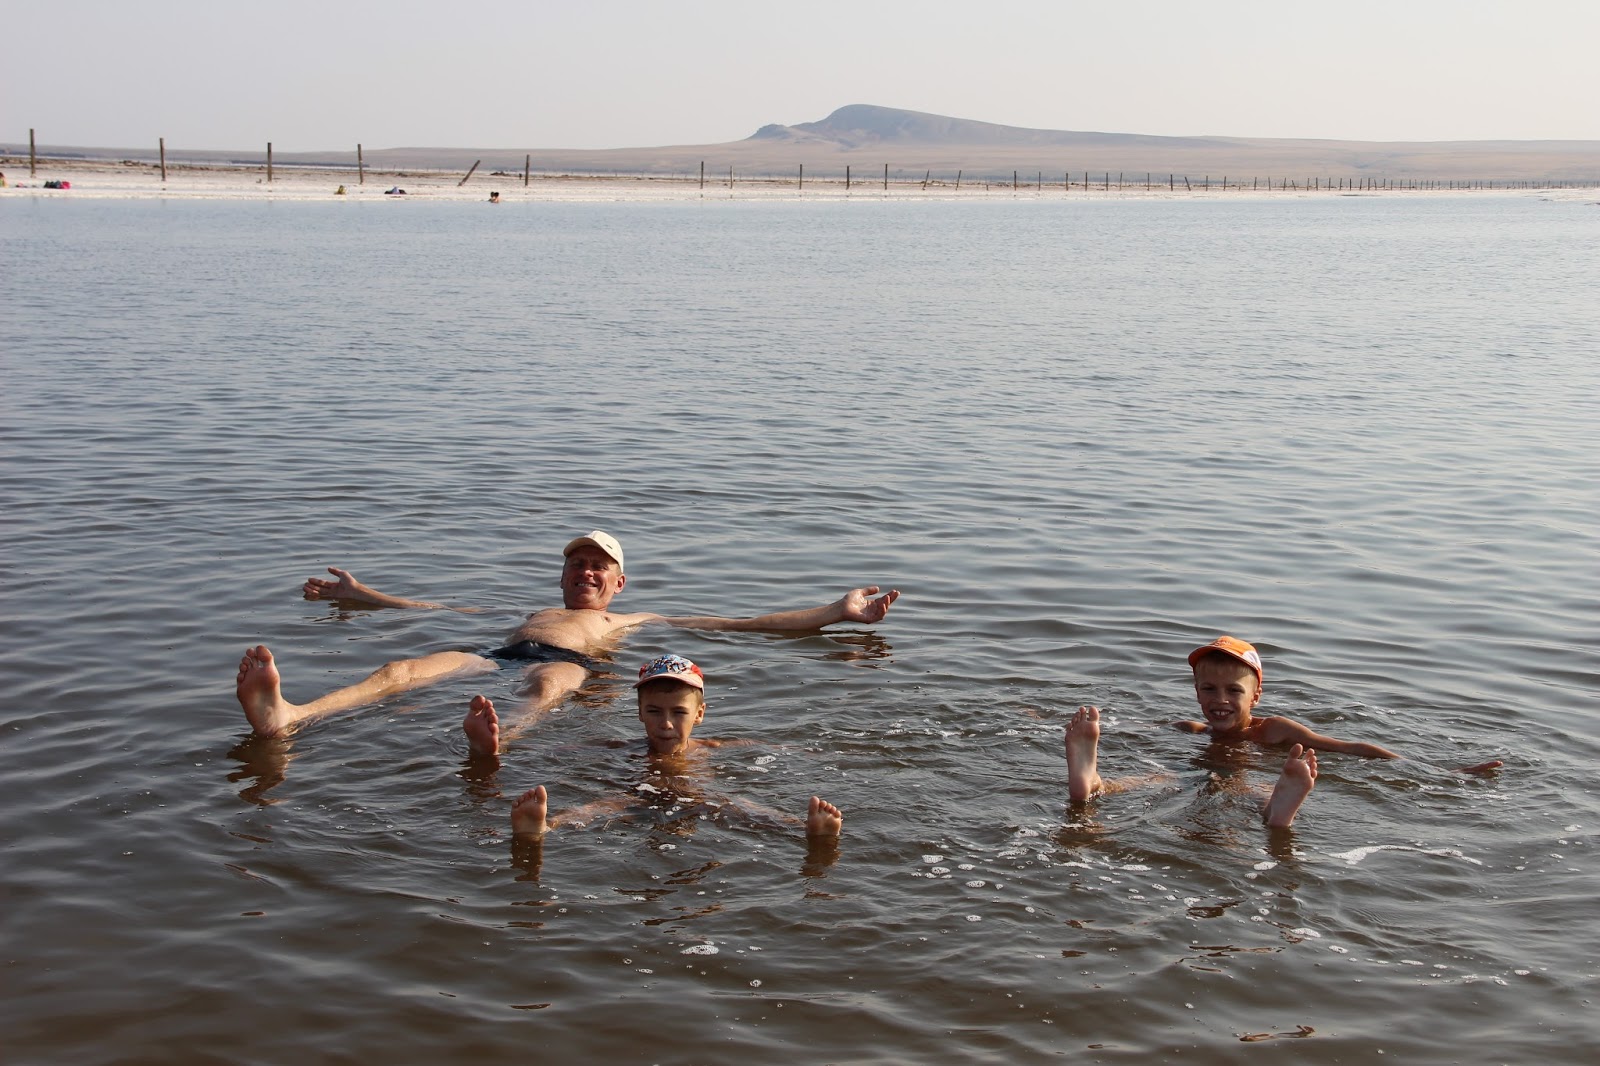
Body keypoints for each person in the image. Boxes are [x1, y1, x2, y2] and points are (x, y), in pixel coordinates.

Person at [234, 530, 899, 756]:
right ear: (561, 577)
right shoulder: (530, 609)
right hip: (494, 654)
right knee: (400, 668)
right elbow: (427, 607)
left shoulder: (631, 620)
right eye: (576, 564)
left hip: (570, 663)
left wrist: (835, 613)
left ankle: (499, 742)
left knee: (547, 689)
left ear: (617, 583)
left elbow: (744, 624)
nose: (585, 572)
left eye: (597, 567)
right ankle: (290, 715)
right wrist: (360, 594)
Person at [1064, 635, 1501, 827]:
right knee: (1152, 780)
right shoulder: (1191, 728)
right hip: (1193, 775)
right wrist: (1040, 717)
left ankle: (1281, 805)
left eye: (1233, 690)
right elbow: (1132, 727)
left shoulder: (1272, 731)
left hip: (1243, 776)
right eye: (1208, 689)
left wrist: (1442, 771)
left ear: (1256, 696)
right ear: (1196, 692)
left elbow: (1350, 746)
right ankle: (1092, 782)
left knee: (1252, 791)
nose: (1219, 699)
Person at [506, 653, 844, 846]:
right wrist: (508, 747)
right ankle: (545, 827)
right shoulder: (624, 747)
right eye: (654, 711)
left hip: (699, 800)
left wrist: (810, 752)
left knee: (738, 806)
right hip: (637, 797)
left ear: (699, 714)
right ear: (640, 712)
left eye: (678, 713)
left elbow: (754, 745)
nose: (665, 723)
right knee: (601, 806)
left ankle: (805, 829)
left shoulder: (709, 748)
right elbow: (569, 749)